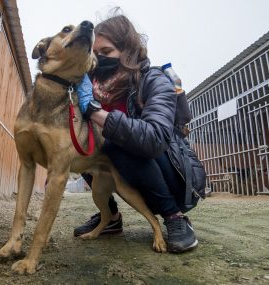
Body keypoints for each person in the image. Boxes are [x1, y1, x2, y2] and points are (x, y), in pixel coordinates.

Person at [74, 11, 197, 253]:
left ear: (127, 50)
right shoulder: (92, 86)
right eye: (95, 53)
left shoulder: (155, 80)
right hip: (122, 165)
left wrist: (96, 113)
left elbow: (154, 138)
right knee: (87, 144)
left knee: (113, 143)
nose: (99, 59)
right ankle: (110, 216)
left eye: (106, 52)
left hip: (167, 170)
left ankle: (175, 217)